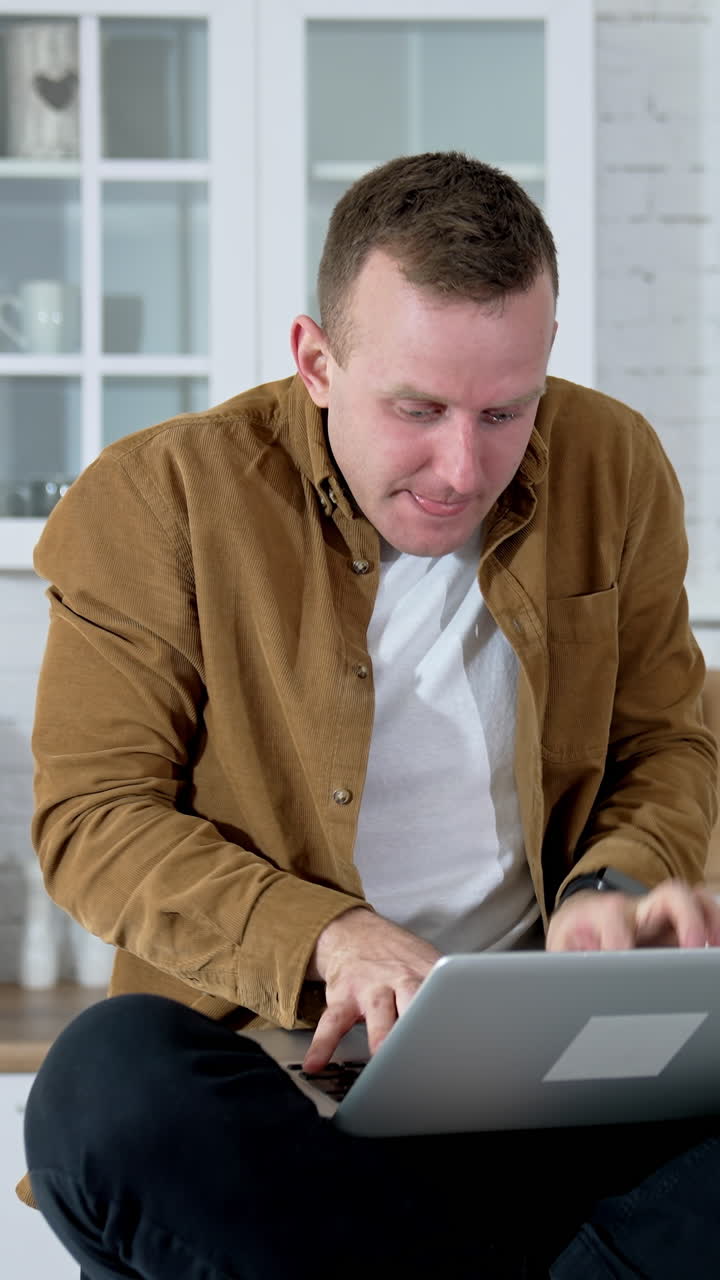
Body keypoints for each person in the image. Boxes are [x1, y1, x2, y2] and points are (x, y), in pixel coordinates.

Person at [19, 151, 720, 1278]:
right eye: (418, 408)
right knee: (106, 1081)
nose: (463, 464)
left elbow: (668, 742)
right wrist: (327, 935)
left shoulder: (615, 464)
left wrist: (615, 892)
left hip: (556, 1087)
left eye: (506, 411)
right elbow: (94, 817)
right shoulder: (158, 498)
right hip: (292, 1093)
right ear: (317, 359)